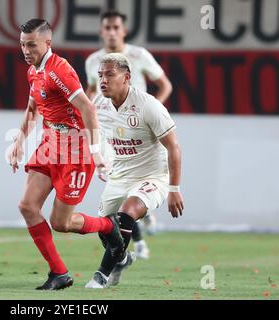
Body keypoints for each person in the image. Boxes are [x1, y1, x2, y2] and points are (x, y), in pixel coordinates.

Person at [8, 19, 124, 290]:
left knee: (62, 222)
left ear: (47, 43)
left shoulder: (59, 70)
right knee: (27, 206)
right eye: (23, 45)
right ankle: (59, 273)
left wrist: (96, 152)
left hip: (76, 149)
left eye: (32, 45)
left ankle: (109, 227)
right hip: (51, 143)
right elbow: (33, 108)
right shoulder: (33, 72)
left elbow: (88, 109)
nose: (26, 50)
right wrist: (19, 140)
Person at [85, 53, 184, 289]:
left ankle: (101, 275)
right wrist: (97, 156)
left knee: (128, 212)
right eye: (100, 75)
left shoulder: (148, 106)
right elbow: (87, 125)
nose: (103, 80)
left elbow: (174, 146)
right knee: (105, 230)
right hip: (119, 175)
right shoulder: (98, 103)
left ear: (127, 77)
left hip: (152, 176)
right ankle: (122, 259)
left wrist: (174, 189)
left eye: (110, 74)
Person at [85, 10, 174, 259]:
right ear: (102, 32)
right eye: (107, 28)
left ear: (123, 30)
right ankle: (135, 242)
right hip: (111, 132)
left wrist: (156, 113)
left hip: (140, 131)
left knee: (129, 194)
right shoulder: (93, 61)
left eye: (116, 27)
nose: (112, 32)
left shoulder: (139, 55)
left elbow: (165, 84)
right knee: (118, 192)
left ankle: (136, 241)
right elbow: (89, 95)